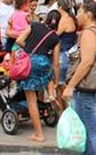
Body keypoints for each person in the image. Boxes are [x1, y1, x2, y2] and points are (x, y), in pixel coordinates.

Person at [63, 0, 96, 155]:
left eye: (80, 12)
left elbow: (87, 62)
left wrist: (70, 86)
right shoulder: (95, 31)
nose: (77, 16)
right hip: (93, 90)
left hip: (86, 91)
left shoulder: (89, 33)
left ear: (88, 15)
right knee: (87, 133)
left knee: (89, 134)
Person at [15, 12, 60, 143]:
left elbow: (19, 40)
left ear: (46, 19)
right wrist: (57, 81)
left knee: (31, 100)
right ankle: (51, 94)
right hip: (44, 61)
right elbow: (56, 63)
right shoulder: (55, 38)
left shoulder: (34, 25)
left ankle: (39, 134)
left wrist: (29, 47)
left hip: (30, 61)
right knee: (48, 75)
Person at [55, 0, 77, 99]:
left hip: (63, 53)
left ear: (60, 7)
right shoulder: (72, 18)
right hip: (70, 52)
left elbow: (56, 34)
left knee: (61, 84)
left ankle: (65, 110)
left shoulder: (64, 20)